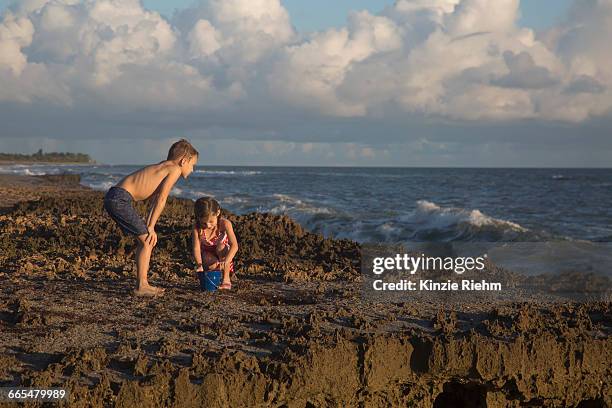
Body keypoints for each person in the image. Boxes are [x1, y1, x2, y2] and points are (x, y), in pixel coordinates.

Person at [103, 139, 198, 296]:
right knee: (147, 240)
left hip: (115, 197)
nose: (192, 169)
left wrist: (149, 224)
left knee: (145, 240)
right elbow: (161, 199)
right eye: (192, 165)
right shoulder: (174, 169)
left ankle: (142, 283)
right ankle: (142, 286)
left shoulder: (164, 166)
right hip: (119, 199)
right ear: (184, 161)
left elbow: (153, 200)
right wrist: (151, 227)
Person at [192, 197, 238, 290]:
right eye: (204, 223)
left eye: (211, 221)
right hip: (209, 257)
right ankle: (217, 274)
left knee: (221, 247)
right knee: (207, 259)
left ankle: (226, 279)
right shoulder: (197, 228)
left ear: (217, 213)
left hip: (224, 255)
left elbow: (234, 245)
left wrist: (226, 261)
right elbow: (196, 248)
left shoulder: (225, 224)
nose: (208, 225)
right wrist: (199, 265)